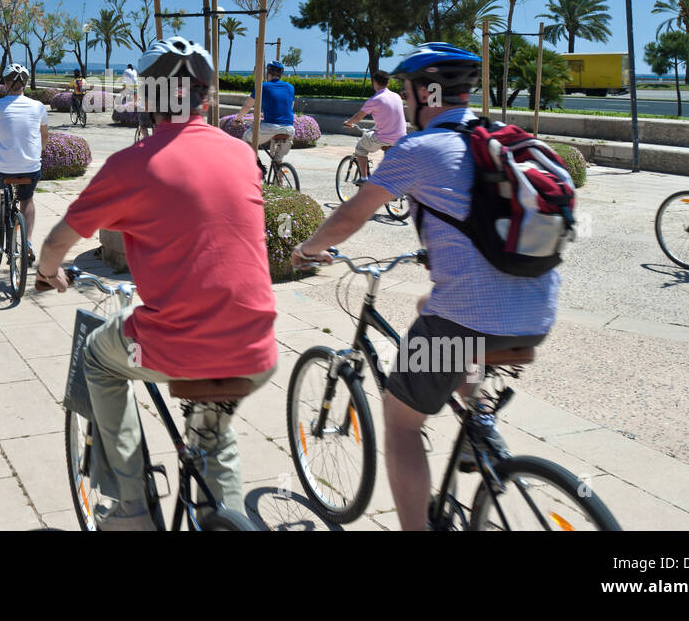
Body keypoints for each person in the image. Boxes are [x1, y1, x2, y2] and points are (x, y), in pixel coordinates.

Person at [290, 43, 557, 531]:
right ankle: (479, 423)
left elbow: (352, 215)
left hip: (467, 322)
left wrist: (309, 249)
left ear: (421, 92)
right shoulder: (498, 138)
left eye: (408, 89)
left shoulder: (418, 149)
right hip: (538, 312)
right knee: (434, 309)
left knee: (401, 420)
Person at [37, 36, 278, 530]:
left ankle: (132, 509)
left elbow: (58, 241)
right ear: (207, 97)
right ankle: (222, 514)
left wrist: (46, 274)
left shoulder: (132, 165)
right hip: (257, 348)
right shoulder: (241, 156)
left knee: (99, 360)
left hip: (176, 346)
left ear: (147, 98)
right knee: (213, 433)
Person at [0, 63, 50, 259]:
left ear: (6, 83)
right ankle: (29, 241)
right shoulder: (38, 107)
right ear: (25, 83)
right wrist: (40, 151)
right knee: (27, 199)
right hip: (31, 167)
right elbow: (44, 136)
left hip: (4, 168)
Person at [343, 69, 407, 179]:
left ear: (374, 83)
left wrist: (348, 123)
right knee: (388, 148)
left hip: (384, 137)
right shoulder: (396, 96)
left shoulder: (375, 100)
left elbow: (358, 117)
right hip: (401, 137)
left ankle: (363, 178)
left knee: (361, 148)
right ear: (388, 82)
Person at [232, 61, 296, 165]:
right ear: (281, 74)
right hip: (289, 129)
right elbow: (290, 107)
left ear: (268, 73)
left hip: (270, 127)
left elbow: (248, 105)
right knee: (278, 161)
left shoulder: (263, 86)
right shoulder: (290, 87)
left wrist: (238, 118)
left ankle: (258, 166)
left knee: (246, 138)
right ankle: (278, 177)